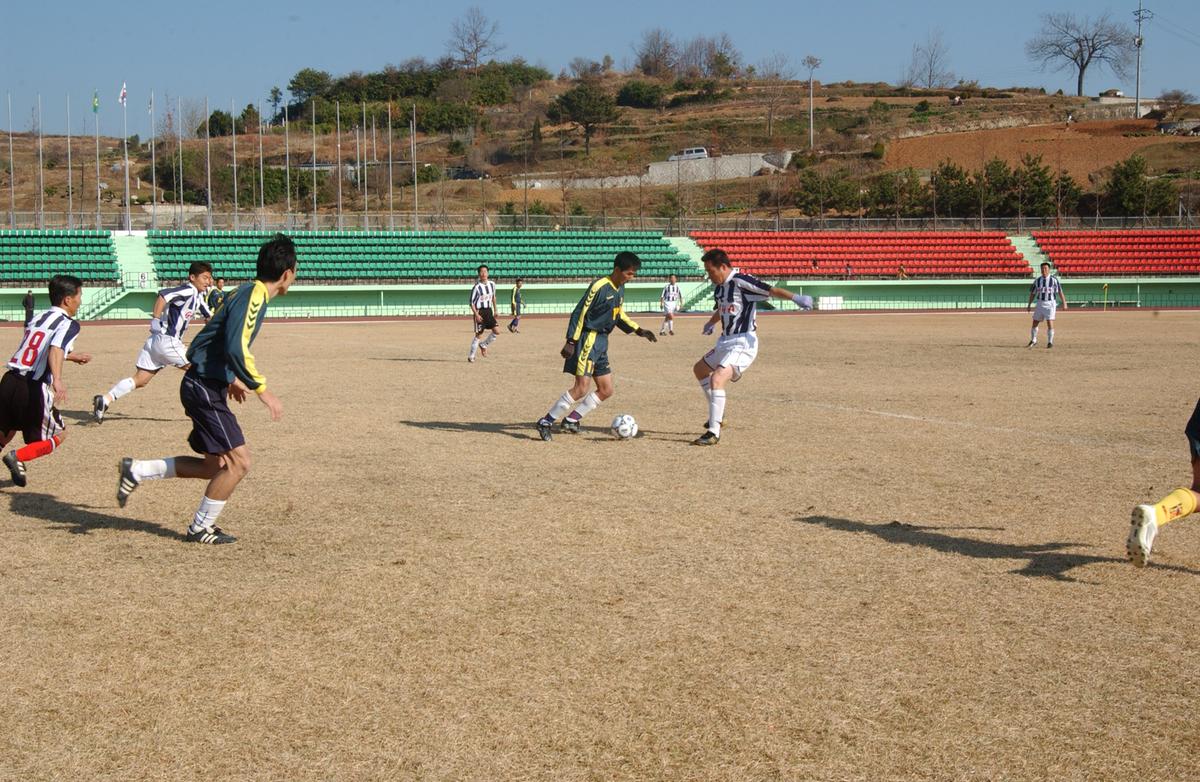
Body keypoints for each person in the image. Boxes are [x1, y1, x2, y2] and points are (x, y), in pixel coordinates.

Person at [115, 234, 296, 544]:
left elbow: (211, 340)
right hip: (203, 387)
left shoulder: (248, 293)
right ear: (287, 273)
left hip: (205, 383)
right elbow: (235, 345)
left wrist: (230, 378)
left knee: (214, 466)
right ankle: (200, 528)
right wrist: (261, 389)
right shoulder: (253, 295)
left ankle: (138, 470)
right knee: (240, 463)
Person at [693, 248, 812, 445]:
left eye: (710, 271)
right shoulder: (720, 288)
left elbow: (770, 290)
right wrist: (711, 323)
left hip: (743, 342)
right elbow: (723, 309)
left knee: (717, 378)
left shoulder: (741, 281)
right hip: (725, 341)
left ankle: (713, 432)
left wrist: (796, 298)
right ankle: (717, 415)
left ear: (722, 267)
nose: (709, 275)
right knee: (700, 370)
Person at [536, 252, 658, 441]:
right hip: (588, 340)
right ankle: (545, 421)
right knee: (581, 388)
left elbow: (618, 314)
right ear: (617, 270)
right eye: (629, 273)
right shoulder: (599, 287)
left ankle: (572, 420)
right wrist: (571, 340)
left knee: (606, 390)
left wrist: (638, 330)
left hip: (602, 342)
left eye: (634, 274)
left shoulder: (620, 288)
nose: (631, 277)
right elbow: (580, 312)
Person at [92, 262, 214, 423]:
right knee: (200, 370)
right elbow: (163, 295)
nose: (208, 281)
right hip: (167, 341)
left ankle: (105, 399)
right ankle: (202, 411)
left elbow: (208, 317)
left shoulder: (198, 296)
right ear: (192, 278)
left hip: (156, 343)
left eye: (210, 278)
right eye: (205, 277)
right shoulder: (188, 290)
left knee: (140, 379)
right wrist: (155, 319)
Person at [1, 275, 92, 486]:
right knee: (60, 434)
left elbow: (38, 348)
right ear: (68, 300)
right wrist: (57, 379)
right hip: (32, 387)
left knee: (6, 431)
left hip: (9, 381)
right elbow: (55, 348)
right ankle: (18, 458)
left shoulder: (39, 317)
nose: (80, 300)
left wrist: (72, 356)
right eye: (79, 296)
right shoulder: (69, 324)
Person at [1026, 262, 1067, 349]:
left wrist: (1064, 303)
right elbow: (1033, 293)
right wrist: (1029, 304)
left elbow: (1060, 292)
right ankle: (1033, 340)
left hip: (1050, 303)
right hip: (1040, 303)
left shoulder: (1054, 280)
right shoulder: (1037, 281)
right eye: (1042, 269)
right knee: (1035, 322)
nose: (1044, 270)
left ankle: (1050, 342)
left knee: (1050, 322)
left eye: (1045, 268)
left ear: (1049, 270)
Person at [468, 264, 499, 362]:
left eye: (485, 271)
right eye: (481, 272)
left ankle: (484, 345)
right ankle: (471, 356)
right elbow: (471, 302)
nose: (483, 273)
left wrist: (496, 309)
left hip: (489, 311)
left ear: (488, 273)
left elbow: (493, 297)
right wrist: (476, 315)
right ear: (479, 274)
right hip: (479, 312)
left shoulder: (492, 284)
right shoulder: (476, 287)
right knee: (479, 335)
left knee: (496, 331)